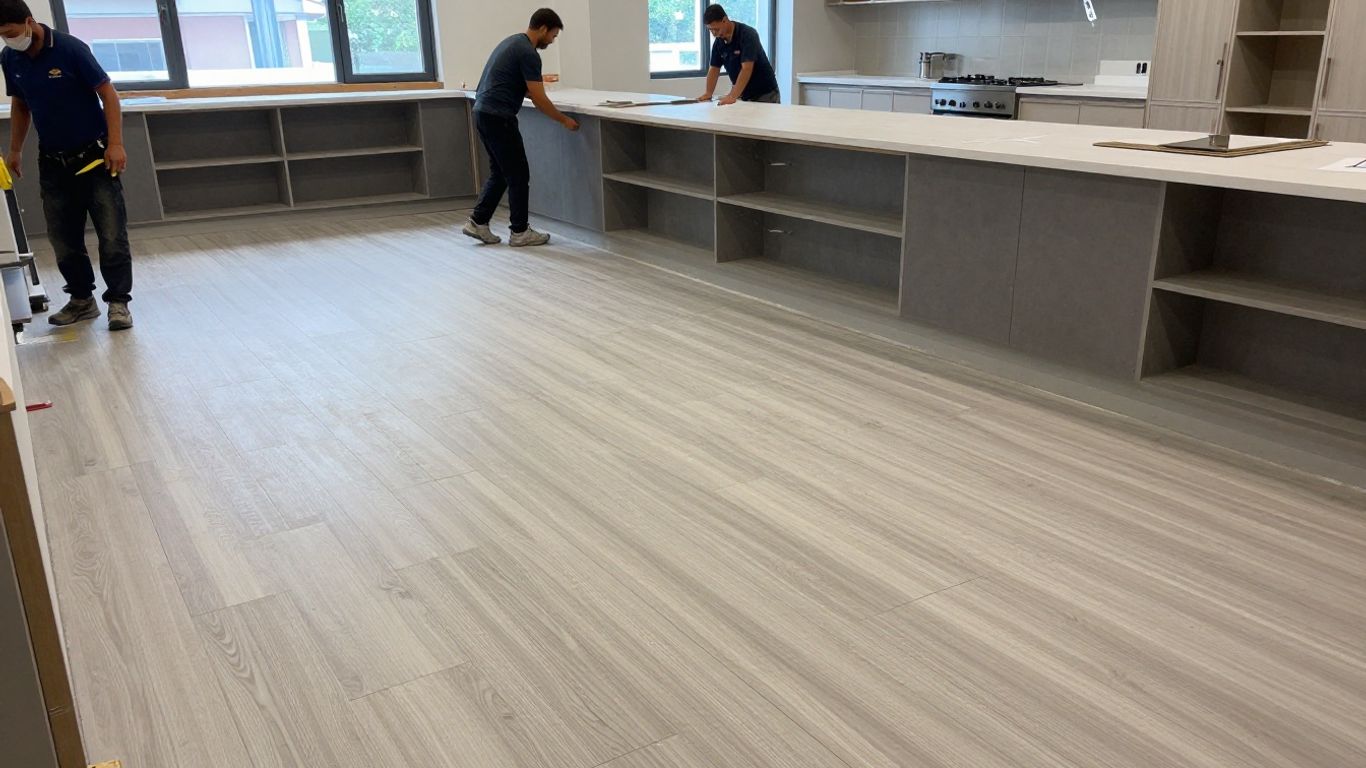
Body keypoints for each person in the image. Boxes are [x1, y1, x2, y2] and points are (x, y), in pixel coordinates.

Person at [1, 0, 133, 330]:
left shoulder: (71, 49)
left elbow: (109, 94)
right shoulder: (10, 58)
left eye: (11, 32)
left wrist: (115, 143)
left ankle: (118, 303)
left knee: (111, 235)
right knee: (63, 239)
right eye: (1, 35)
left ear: (29, 22)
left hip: (94, 158)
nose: (8, 39)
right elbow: (20, 105)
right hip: (53, 163)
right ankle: (81, 300)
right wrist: (14, 150)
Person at [463, 8, 579, 248]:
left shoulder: (512, 42)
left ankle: (478, 222)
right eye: (553, 36)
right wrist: (563, 120)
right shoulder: (529, 53)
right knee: (518, 174)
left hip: (483, 112)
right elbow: (538, 98)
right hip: (499, 116)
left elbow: (518, 85)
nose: (552, 40)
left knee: (501, 172)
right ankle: (519, 231)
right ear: (544, 28)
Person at [697, 4, 780, 106]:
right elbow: (714, 68)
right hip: (744, 94)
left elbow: (746, 69)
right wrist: (708, 93)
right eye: (711, 30)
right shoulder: (719, 42)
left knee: (762, 121)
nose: (714, 34)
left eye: (716, 29)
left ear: (725, 20)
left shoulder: (748, 34)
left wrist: (732, 96)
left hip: (765, 93)